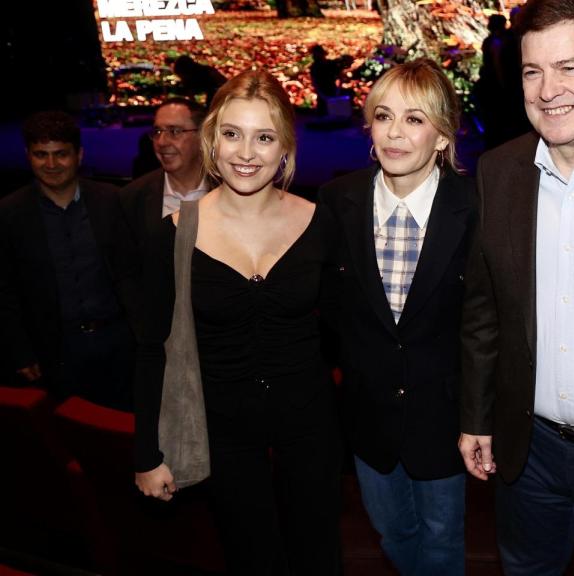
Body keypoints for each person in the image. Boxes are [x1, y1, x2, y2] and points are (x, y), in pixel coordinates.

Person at [133, 69, 341, 575]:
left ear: (285, 147)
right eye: (232, 134)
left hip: (311, 427)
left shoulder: (320, 222)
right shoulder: (174, 234)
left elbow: (342, 333)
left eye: (264, 137)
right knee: (252, 558)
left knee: (319, 557)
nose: (246, 152)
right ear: (212, 140)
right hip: (221, 431)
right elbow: (150, 348)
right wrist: (147, 453)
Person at [459, 1, 574, 573]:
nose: (547, 90)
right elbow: (485, 312)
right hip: (528, 452)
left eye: (570, 68)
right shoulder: (497, 171)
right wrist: (477, 415)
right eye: (532, 71)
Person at [319, 57, 476, 576]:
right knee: (394, 532)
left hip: (445, 418)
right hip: (367, 417)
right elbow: (326, 313)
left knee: (442, 538)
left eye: (414, 119)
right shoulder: (338, 200)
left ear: (441, 136)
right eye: (384, 116)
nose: (395, 133)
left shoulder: (474, 206)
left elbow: (487, 323)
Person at [0, 111, 139, 410]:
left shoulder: (113, 200)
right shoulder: (9, 213)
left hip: (118, 343)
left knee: (124, 433)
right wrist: (21, 352)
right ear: (28, 156)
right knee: (67, 436)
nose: (51, 164)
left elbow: (134, 272)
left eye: (60, 154)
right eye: (41, 155)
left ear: (79, 155)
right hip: (54, 349)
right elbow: (5, 291)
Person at [120, 97, 209, 253]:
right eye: (157, 131)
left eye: (174, 131)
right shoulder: (132, 198)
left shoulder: (230, 190)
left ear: (202, 136)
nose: (161, 142)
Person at [309, 44, 354, 116]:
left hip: (331, 91)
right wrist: (322, 94)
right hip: (324, 94)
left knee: (335, 113)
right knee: (324, 114)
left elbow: (340, 75)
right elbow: (315, 81)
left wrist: (338, 90)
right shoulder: (315, 67)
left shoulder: (329, 64)